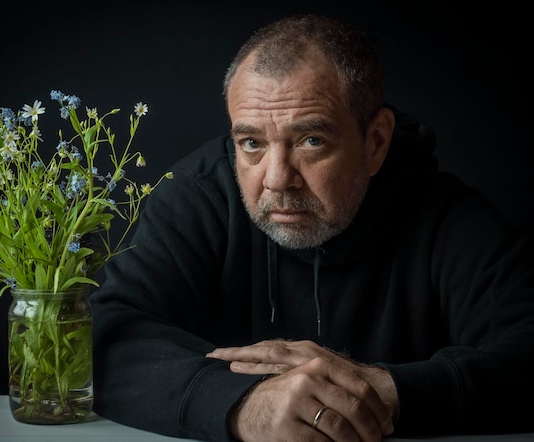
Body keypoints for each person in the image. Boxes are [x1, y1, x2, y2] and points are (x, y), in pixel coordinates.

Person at [90, 14, 534, 442]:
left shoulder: (443, 216)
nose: (277, 178)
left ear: (375, 141)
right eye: (251, 144)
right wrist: (246, 404)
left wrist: (378, 390)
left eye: (311, 141)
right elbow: (106, 337)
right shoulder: (200, 196)